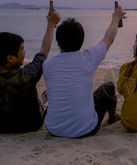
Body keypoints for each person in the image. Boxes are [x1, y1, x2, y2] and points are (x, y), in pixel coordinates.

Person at [0, 3, 61, 134]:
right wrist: (51, 24)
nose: (25, 52)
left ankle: (39, 100)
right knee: (30, 97)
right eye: (22, 50)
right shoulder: (26, 76)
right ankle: (40, 101)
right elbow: (45, 50)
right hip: (29, 125)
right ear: (10, 58)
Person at [42, 7, 125, 138]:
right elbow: (109, 38)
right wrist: (115, 18)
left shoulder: (47, 65)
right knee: (108, 86)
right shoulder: (89, 58)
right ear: (81, 42)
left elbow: (44, 49)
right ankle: (112, 117)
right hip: (86, 129)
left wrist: (51, 24)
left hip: (53, 129)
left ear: (57, 43)